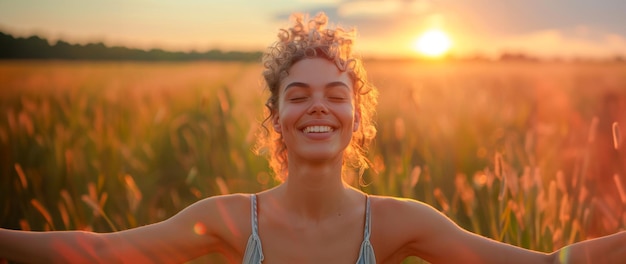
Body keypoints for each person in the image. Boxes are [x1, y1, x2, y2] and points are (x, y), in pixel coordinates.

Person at [1, 12, 625, 264]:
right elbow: (103, 252)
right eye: (297, 95)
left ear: (357, 116)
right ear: (276, 117)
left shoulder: (401, 224)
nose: (317, 107)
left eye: (336, 94)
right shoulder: (226, 219)